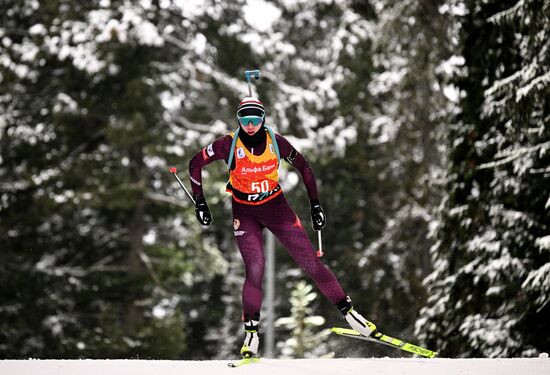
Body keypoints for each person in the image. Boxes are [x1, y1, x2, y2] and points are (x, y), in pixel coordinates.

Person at [188, 97, 376, 358]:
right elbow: (195, 162)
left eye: (255, 119)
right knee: (255, 268)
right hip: (244, 211)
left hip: (276, 208)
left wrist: (315, 206)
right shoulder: (228, 144)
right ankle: (251, 334)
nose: (250, 125)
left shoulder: (277, 142)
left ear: (263, 119)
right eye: (244, 119)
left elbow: (304, 167)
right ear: (238, 120)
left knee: (311, 262)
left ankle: (351, 314)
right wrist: (200, 202)